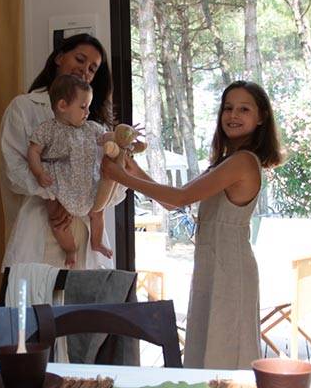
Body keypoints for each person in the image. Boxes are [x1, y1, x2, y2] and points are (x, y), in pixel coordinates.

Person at [102, 80, 284, 369]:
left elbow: (180, 197)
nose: (233, 115)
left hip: (231, 268)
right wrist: (133, 170)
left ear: (261, 117)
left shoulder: (243, 162)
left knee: (227, 351)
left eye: (244, 109)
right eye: (228, 108)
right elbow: (174, 201)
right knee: (208, 348)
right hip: (213, 264)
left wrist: (121, 177)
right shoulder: (227, 161)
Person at [0, 34, 124, 269]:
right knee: (39, 291)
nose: (84, 70)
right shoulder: (24, 107)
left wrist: (93, 202)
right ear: (59, 57)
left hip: (85, 231)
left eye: (92, 69)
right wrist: (55, 196)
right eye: (80, 59)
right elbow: (13, 171)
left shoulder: (92, 122)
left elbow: (113, 179)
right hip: (42, 228)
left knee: (85, 292)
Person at [25, 75, 111, 266]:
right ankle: (70, 249)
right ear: (63, 105)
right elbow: (33, 151)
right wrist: (39, 173)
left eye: (88, 107)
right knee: (57, 220)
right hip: (59, 185)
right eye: (83, 107)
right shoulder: (48, 129)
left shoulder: (90, 128)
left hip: (87, 185)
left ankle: (96, 242)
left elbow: (106, 137)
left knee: (98, 211)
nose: (88, 112)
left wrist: (122, 136)